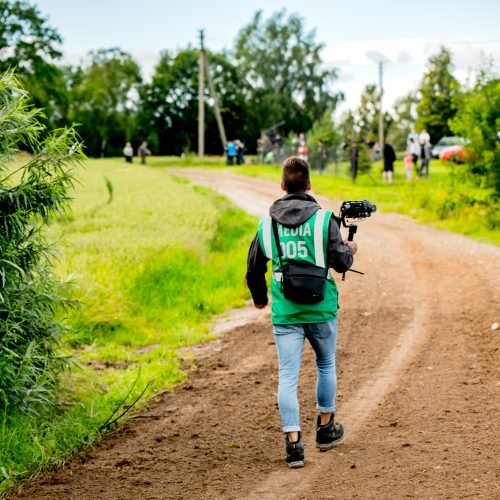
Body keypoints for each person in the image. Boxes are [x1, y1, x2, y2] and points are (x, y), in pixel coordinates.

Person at [246, 156, 357, 468]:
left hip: (286, 313)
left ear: (282, 186)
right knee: (325, 365)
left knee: (287, 376)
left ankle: (293, 444)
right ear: (309, 185)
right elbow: (341, 262)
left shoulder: (267, 224)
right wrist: (350, 250)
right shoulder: (324, 221)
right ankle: (325, 428)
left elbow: (254, 267)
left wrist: (260, 298)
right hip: (322, 309)